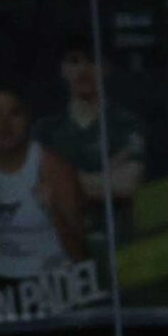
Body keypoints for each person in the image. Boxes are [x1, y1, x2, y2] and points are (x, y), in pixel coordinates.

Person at [0, 85, 85, 298]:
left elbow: (80, 252)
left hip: (49, 279)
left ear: (27, 119)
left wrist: (53, 211)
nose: (4, 125)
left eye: (14, 114)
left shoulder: (52, 167)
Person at [35, 36, 147, 254]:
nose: (84, 69)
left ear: (106, 68)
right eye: (74, 61)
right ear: (62, 70)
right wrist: (103, 175)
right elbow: (37, 191)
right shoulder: (46, 130)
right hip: (60, 250)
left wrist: (62, 182)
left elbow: (126, 183)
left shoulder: (125, 123)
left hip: (116, 247)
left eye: (93, 61)